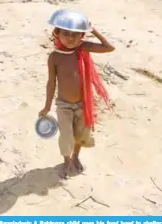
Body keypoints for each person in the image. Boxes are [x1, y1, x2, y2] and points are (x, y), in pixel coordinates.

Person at [39, 20, 115, 179]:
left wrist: (93, 29)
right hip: (63, 105)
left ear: (82, 35)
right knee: (66, 136)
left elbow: (109, 47)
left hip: (83, 103)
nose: (70, 38)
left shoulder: (83, 48)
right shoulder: (54, 57)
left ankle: (75, 157)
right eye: (65, 33)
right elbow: (51, 83)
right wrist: (46, 107)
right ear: (56, 34)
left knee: (81, 135)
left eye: (75, 34)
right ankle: (67, 161)